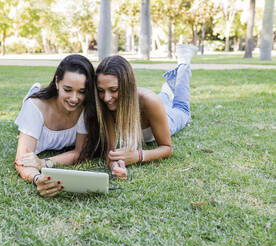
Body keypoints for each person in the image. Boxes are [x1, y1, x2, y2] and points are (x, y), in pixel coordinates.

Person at [93, 44, 198, 179]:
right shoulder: (106, 104)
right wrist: (116, 166)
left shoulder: (149, 101)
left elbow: (167, 147)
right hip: (152, 105)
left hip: (165, 119)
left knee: (182, 109)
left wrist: (138, 156)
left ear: (127, 87)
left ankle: (183, 62)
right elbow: (111, 150)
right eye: (101, 91)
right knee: (161, 98)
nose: (106, 98)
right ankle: (166, 90)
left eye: (113, 90)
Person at [14, 54, 97, 197]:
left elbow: (79, 153)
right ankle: (30, 95)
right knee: (28, 105)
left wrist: (43, 163)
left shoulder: (85, 109)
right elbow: (22, 161)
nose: (74, 98)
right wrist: (37, 179)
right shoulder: (35, 108)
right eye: (68, 89)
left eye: (81, 92)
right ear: (57, 82)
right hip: (35, 107)